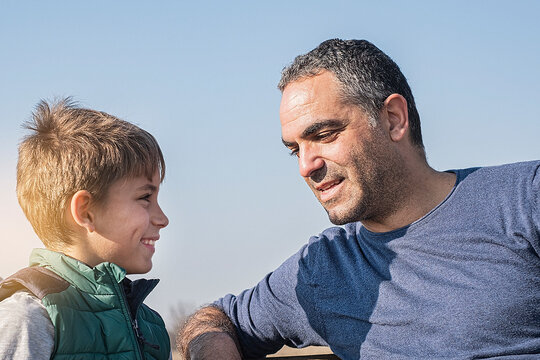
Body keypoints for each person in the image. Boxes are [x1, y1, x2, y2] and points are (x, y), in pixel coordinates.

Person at [179, 39, 540, 359]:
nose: (306, 166)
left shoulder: (524, 197)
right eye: (295, 150)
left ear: (394, 120)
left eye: (323, 134)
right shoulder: (322, 269)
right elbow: (215, 320)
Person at [0, 98, 172, 359]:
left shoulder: (152, 326)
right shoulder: (27, 319)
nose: (162, 218)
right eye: (145, 198)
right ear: (85, 211)